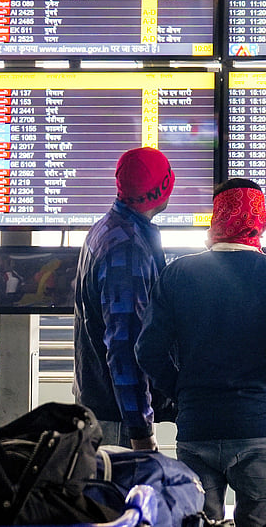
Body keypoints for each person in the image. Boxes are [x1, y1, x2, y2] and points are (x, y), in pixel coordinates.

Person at [136, 178, 266, 527]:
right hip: (260, 427)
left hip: (197, 427)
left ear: (216, 217)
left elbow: (148, 349)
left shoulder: (177, 273)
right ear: (260, 220)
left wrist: (182, 394)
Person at [73, 146, 174, 450]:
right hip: (118, 421)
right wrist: (140, 430)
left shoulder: (106, 229)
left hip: (102, 406)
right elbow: (125, 346)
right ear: (163, 189)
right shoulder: (127, 249)